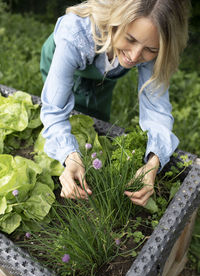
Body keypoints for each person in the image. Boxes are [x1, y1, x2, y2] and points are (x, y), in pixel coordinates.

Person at [40, 0, 190, 206]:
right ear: (114, 23)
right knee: (61, 113)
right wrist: (69, 155)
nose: (135, 56)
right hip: (65, 59)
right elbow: (54, 110)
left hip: (106, 72)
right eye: (130, 39)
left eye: (150, 49)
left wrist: (153, 163)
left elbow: (157, 109)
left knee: (94, 119)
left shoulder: (154, 43)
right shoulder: (75, 33)